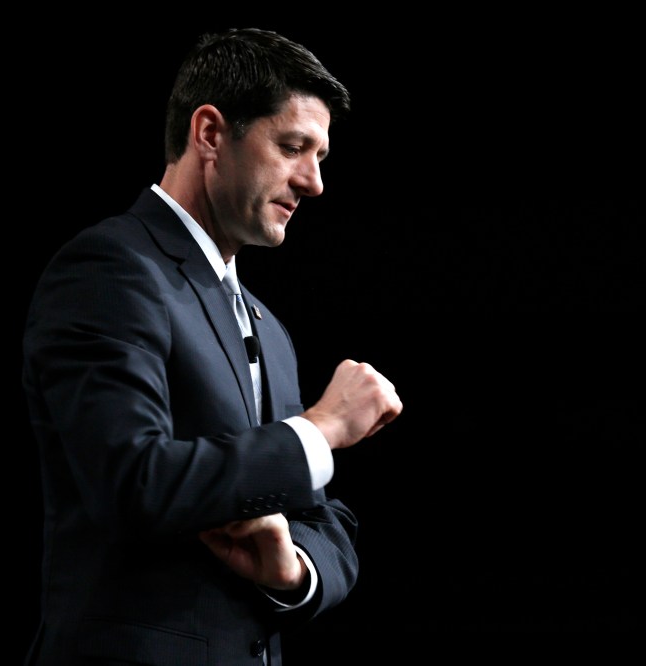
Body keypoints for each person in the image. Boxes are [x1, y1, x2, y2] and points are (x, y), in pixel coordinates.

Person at [21, 27, 403, 665]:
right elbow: (131, 480)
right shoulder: (109, 269)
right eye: (292, 147)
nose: (313, 182)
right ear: (209, 134)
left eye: (321, 157)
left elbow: (325, 521)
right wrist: (322, 428)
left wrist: (293, 571)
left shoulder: (268, 328)